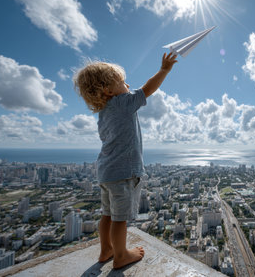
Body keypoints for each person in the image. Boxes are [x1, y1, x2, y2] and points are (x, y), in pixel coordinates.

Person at [73, 52, 177, 269]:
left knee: (107, 215)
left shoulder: (103, 113)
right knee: (120, 219)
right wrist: (165, 70)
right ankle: (121, 255)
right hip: (123, 173)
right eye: (122, 82)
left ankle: (106, 250)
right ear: (108, 90)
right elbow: (147, 89)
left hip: (106, 173)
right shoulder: (122, 103)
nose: (128, 84)